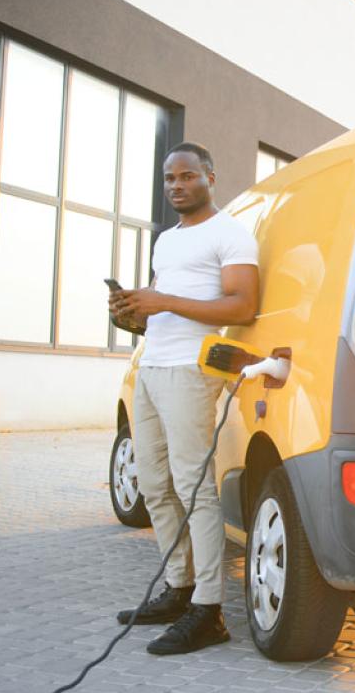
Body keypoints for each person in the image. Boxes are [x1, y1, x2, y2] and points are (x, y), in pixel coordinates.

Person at [109, 142, 259, 655]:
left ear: (210, 178)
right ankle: (180, 588)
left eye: (187, 176)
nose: (176, 185)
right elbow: (160, 308)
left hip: (191, 370)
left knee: (194, 488)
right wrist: (133, 311)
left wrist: (164, 300)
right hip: (151, 366)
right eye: (169, 178)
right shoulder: (166, 241)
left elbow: (242, 306)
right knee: (154, 485)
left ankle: (209, 610)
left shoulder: (230, 234)